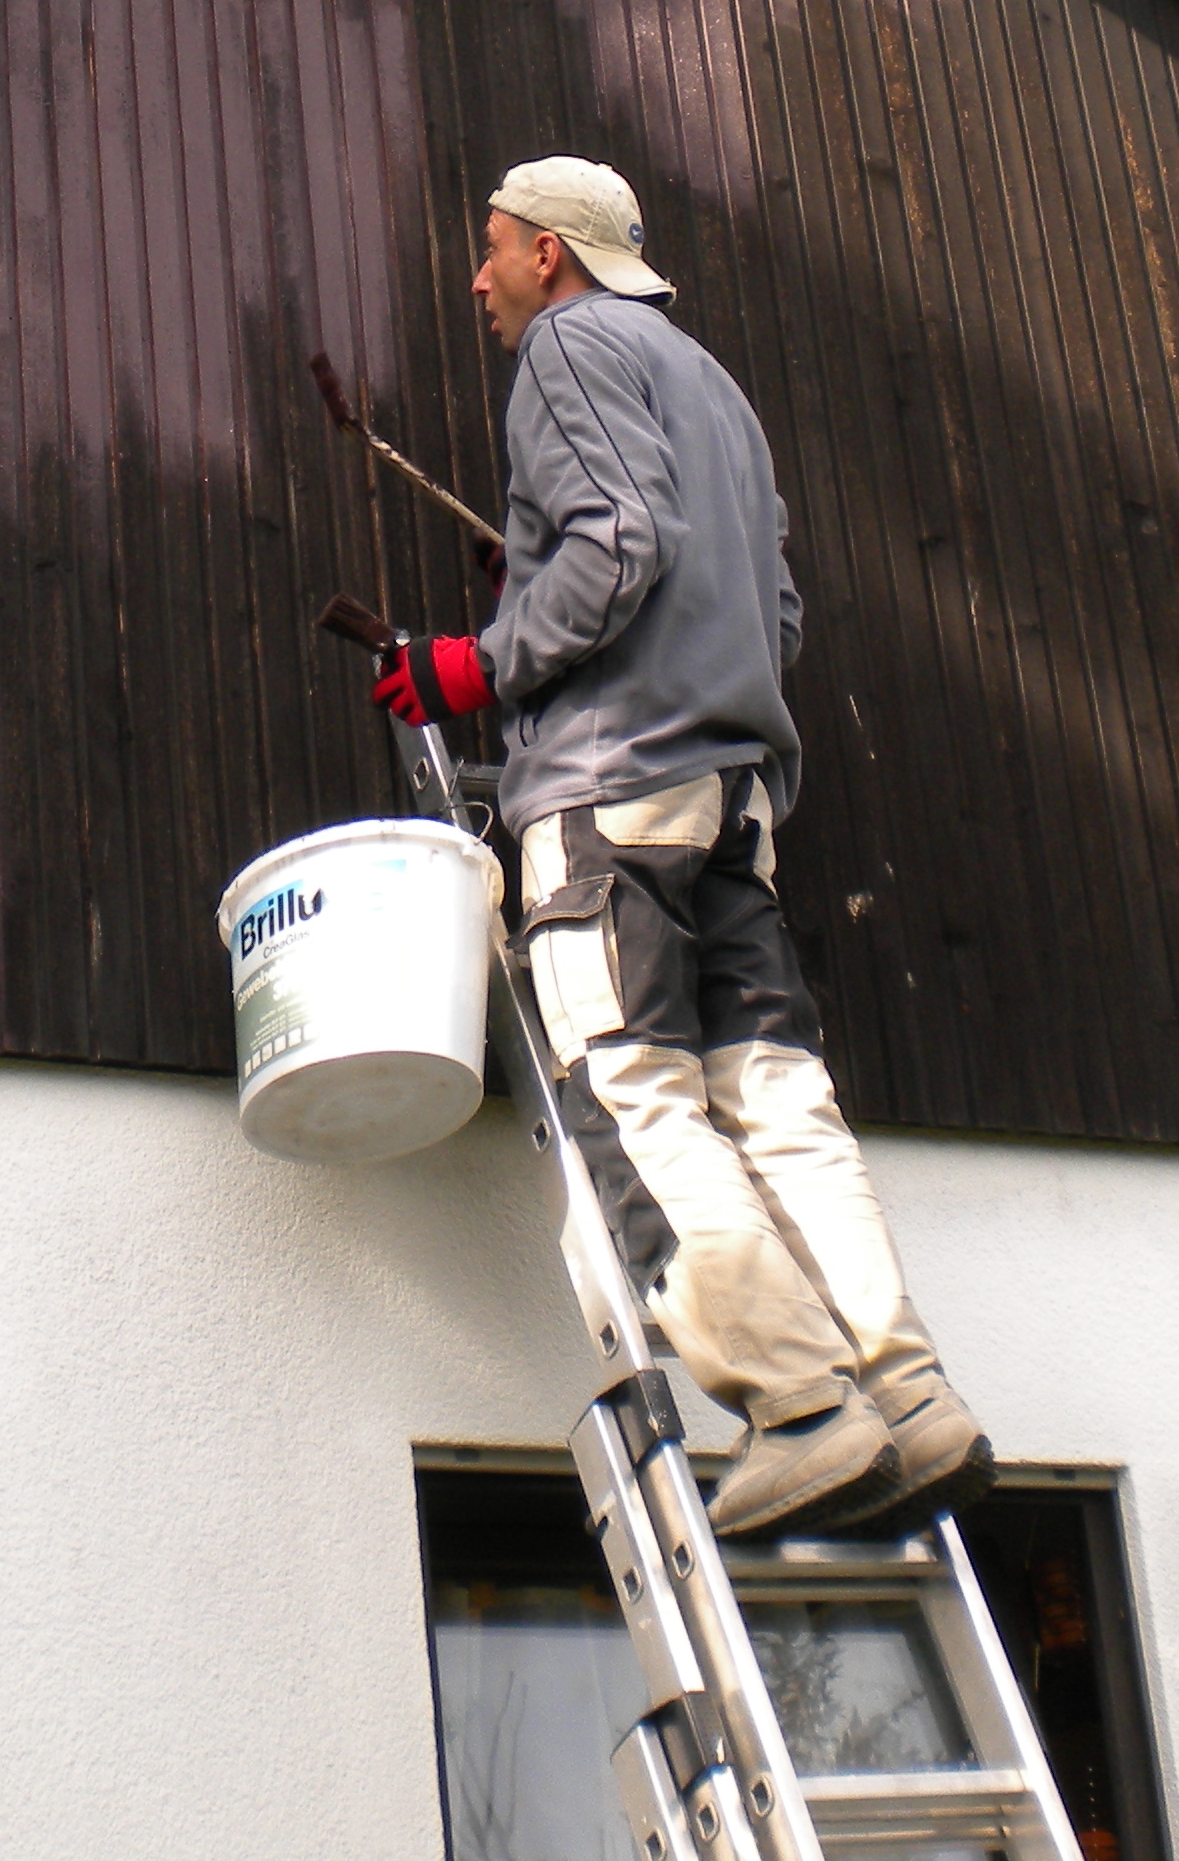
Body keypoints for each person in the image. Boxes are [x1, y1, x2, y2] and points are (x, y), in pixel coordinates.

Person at [372, 156, 993, 1539]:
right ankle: (909, 1396)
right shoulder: (710, 385)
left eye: (494, 248)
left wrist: (482, 662)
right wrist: (551, 592)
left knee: (629, 1085)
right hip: (733, 804)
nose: (478, 279)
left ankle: (801, 1412)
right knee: (776, 1103)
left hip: (614, 798)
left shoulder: (568, 349)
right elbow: (763, 609)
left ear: (552, 254)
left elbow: (619, 540)